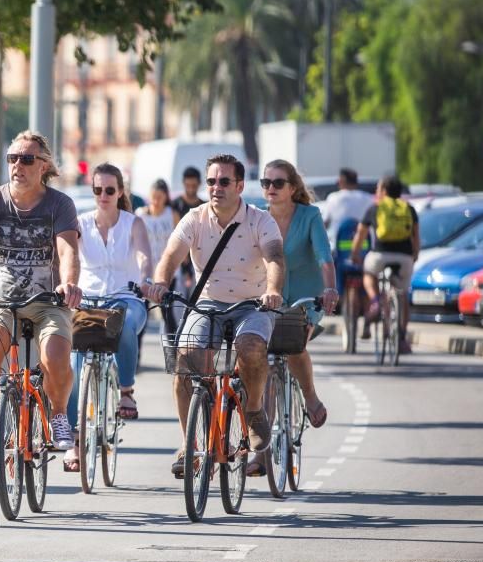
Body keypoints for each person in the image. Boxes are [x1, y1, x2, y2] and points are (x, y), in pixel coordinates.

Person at [146, 154, 285, 476]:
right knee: (186, 362)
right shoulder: (194, 219)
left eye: (224, 181)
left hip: (253, 302)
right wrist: (160, 283)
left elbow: (275, 258)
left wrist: (274, 290)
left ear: (239, 185)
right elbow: (170, 255)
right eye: (211, 181)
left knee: (251, 347)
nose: (215, 187)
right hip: (207, 303)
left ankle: (253, 411)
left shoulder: (261, 220)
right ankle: (190, 443)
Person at [0, 130, 82, 454]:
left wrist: (68, 283)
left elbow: (67, 250)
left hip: (48, 301)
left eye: (26, 159)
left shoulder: (60, 204)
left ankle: (58, 415)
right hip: (2, 300)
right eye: (12, 158)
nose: (17, 165)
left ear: (44, 166)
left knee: (55, 355)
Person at [63, 164, 153, 471]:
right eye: (98, 190)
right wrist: (65, 282)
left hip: (126, 298)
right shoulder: (80, 223)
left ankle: (126, 392)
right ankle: (75, 440)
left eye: (110, 190)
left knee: (125, 325)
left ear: (120, 192)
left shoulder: (133, 223)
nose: (103, 196)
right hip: (87, 301)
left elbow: (143, 255)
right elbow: (68, 257)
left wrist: (145, 279)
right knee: (74, 358)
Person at [261, 160, 338, 474]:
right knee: (262, 365)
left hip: (307, 299)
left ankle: (310, 398)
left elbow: (324, 256)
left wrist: (330, 288)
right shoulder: (257, 217)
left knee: (293, 345)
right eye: (266, 182)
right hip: (268, 299)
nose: (271, 189)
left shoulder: (310, 216)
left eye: (278, 183)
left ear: (292, 188)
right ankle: (261, 443)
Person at [351, 174, 419, 354]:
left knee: (368, 273)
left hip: (380, 255)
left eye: (378, 189)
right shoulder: (409, 209)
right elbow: (416, 236)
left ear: (384, 191)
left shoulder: (375, 208)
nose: (376, 192)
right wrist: (415, 255)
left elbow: (360, 234)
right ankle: (402, 337)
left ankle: (375, 301)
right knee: (402, 294)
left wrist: (355, 254)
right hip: (404, 257)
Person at [136, 179, 181, 335]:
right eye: (153, 196)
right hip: (146, 271)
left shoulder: (172, 215)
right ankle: (137, 356)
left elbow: (180, 243)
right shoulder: (140, 215)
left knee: (168, 315)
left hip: (168, 271)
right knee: (141, 314)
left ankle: (173, 354)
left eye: (160, 197)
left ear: (166, 197)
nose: (156, 201)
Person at [170, 166, 206, 294]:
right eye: (188, 185)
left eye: (194, 185)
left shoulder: (204, 206)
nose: (191, 188)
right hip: (178, 257)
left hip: (198, 257)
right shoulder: (173, 205)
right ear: (183, 183)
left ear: (199, 184)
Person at [322, 167, 374, 243]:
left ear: (342, 181)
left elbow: (325, 223)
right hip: (363, 246)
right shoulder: (368, 198)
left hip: (338, 248)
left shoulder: (333, 198)